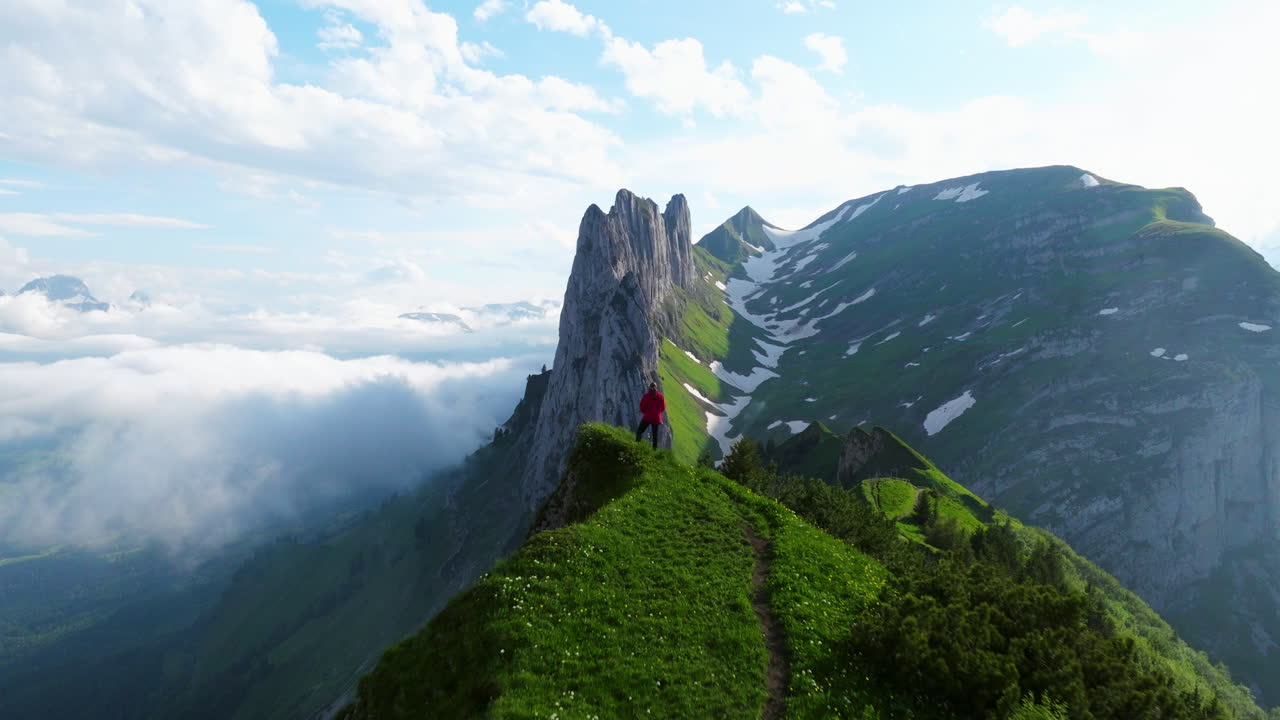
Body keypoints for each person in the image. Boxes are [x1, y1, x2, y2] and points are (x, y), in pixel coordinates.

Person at [635, 381, 665, 449]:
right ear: (656, 387)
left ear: (650, 388)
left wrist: (645, 412)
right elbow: (663, 407)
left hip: (648, 417)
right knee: (655, 435)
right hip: (656, 418)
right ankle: (654, 450)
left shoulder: (647, 396)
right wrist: (658, 412)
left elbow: (642, 406)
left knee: (640, 430)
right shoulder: (660, 396)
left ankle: (637, 444)